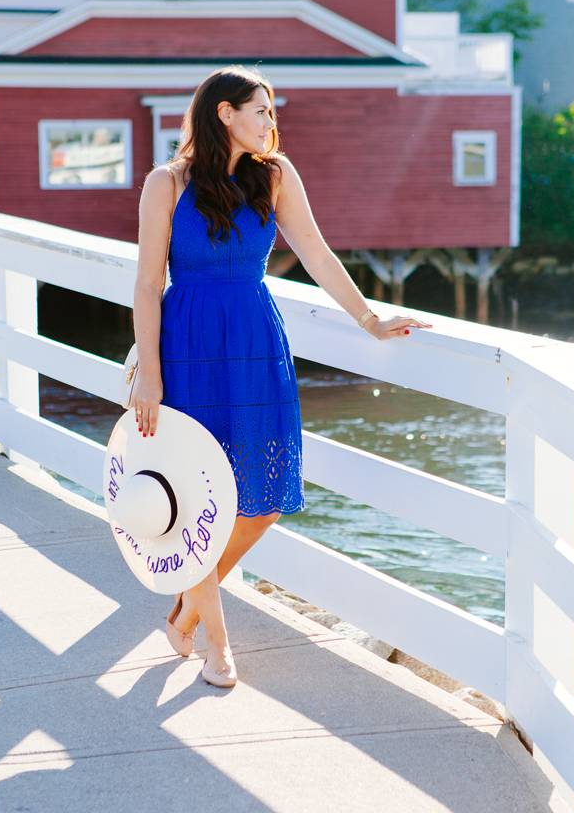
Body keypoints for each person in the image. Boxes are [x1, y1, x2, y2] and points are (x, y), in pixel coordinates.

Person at [132, 66, 431, 687]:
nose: (271, 121)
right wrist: (150, 374)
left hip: (254, 339)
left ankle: (188, 602)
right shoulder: (167, 184)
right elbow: (146, 283)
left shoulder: (274, 174)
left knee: (262, 494)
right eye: (261, 110)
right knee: (194, 494)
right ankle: (214, 641)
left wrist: (371, 321)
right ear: (224, 114)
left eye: (271, 111)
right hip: (187, 342)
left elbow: (317, 253)